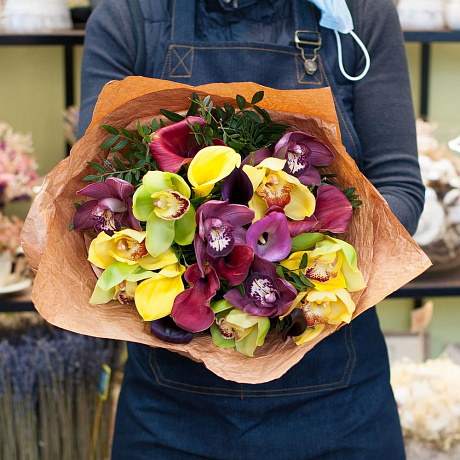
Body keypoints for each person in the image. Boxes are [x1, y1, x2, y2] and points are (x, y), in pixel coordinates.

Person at [77, 1, 424, 458]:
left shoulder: (359, 15)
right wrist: (220, 272)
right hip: (171, 414)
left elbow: (399, 188)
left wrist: (304, 259)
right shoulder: (130, 18)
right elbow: (95, 188)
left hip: (337, 405)